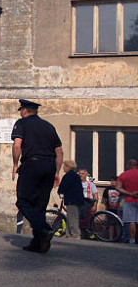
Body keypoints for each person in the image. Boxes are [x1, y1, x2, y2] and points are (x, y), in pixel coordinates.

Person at [10, 100, 62, 253]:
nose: (20, 113)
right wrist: (57, 172)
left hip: (31, 165)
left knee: (23, 202)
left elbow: (17, 144)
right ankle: (38, 243)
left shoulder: (22, 123)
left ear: (24, 110)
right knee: (39, 205)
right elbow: (59, 151)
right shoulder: (49, 126)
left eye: (21, 110)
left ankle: (45, 229)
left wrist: (15, 164)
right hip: (49, 166)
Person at [57, 161, 85, 239]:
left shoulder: (68, 176)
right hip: (77, 199)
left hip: (72, 200)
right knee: (70, 216)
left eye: (64, 166)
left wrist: (59, 191)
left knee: (73, 217)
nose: (63, 168)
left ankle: (76, 234)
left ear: (68, 167)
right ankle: (69, 234)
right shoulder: (75, 176)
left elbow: (63, 186)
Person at [115, 159, 138, 245]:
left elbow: (118, 187)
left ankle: (132, 240)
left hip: (129, 200)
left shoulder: (123, 175)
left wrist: (130, 193)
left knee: (131, 221)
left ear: (129, 165)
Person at [79, 169, 98, 239]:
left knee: (88, 219)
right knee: (79, 219)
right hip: (79, 202)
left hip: (88, 202)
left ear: (86, 175)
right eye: (79, 173)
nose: (80, 175)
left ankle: (90, 233)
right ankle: (83, 234)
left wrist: (95, 205)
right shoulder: (76, 183)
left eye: (82, 173)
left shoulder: (91, 184)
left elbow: (95, 195)